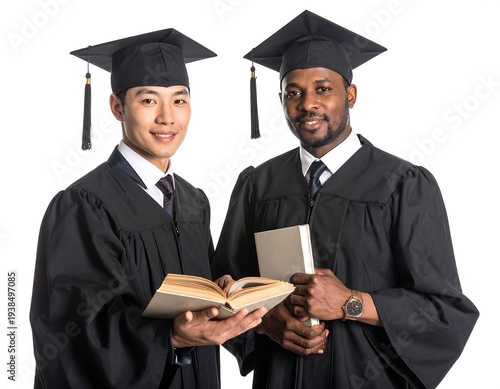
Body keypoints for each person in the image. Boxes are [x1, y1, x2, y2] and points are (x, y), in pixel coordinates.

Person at [211, 10, 479, 389]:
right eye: (294, 92)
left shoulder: (403, 184)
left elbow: (444, 311)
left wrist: (351, 303)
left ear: (350, 94)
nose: (307, 104)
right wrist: (266, 322)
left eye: (323, 89)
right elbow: (224, 287)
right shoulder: (259, 185)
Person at [29, 28, 266, 389]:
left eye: (180, 100)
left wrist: (225, 297)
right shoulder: (83, 204)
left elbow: (201, 297)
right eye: (149, 100)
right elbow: (74, 331)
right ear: (117, 107)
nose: (168, 118)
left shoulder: (193, 201)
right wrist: (171, 337)